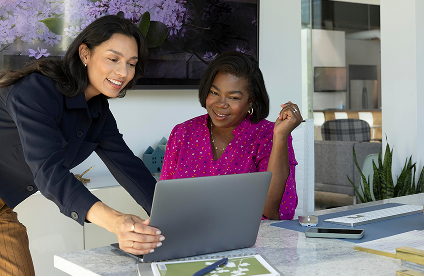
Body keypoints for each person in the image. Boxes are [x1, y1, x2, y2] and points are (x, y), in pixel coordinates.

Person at [0, 15, 164, 275]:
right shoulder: (37, 91)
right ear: (85, 53)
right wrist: (116, 222)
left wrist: (172, 218)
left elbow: (128, 167)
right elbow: (49, 173)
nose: (123, 72)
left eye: (131, 64)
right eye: (113, 59)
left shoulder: (98, 111)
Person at [160, 51, 303, 220]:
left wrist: (279, 137)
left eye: (233, 97)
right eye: (214, 93)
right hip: (187, 238)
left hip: (251, 242)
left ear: (251, 100)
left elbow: (273, 212)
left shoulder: (268, 136)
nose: (221, 104)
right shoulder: (183, 133)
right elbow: (164, 205)